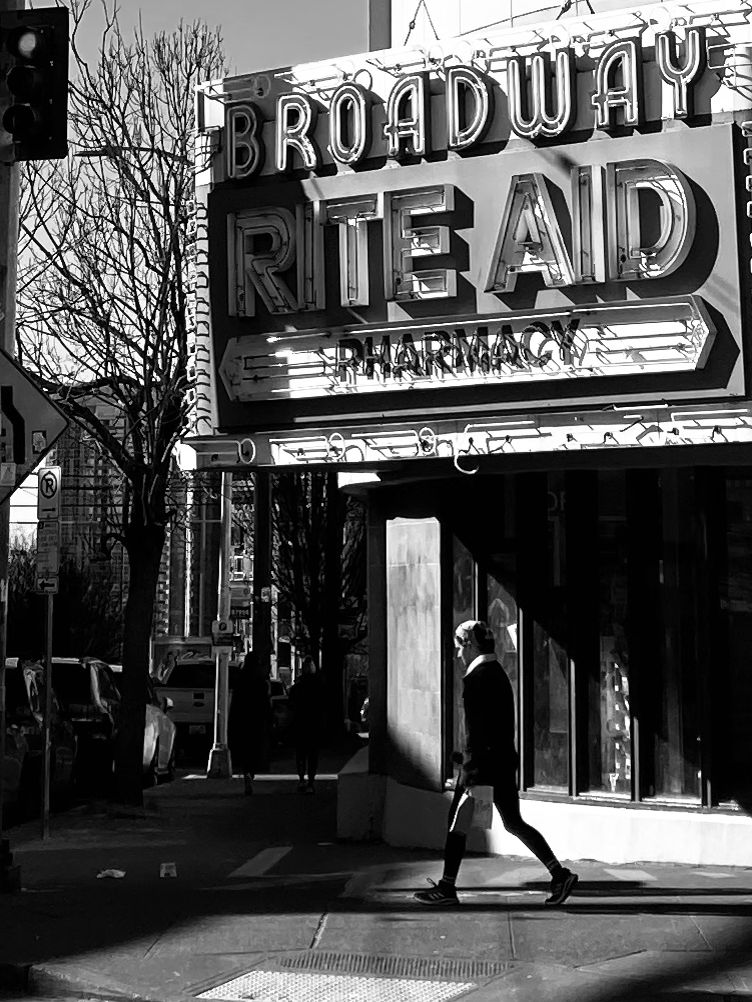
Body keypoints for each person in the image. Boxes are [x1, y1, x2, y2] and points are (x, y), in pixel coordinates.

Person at [415, 620, 578, 907]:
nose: (457, 655)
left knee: (456, 825)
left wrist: (470, 767)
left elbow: (480, 729)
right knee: (513, 822)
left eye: (459, 647)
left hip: (482, 767)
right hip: (500, 761)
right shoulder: (495, 673)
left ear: (470, 644)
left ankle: (447, 888)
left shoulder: (478, 677)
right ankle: (559, 873)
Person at [228, 651, 272, 795]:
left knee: (245, 749)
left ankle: (247, 772)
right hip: (256, 720)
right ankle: (250, 772)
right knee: (254, 749)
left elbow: (235, 702)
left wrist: (232, 720)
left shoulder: (241, 679)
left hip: (243, 720)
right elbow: (265, 704)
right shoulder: (261, 681)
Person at [288, 655, 325, 794]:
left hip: (301, 723)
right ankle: (310, 780)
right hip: (313, 724)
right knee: (312, 754)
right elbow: (323, 706)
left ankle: (302, 778)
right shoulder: (319, 686)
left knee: (301, 754)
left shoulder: (298, 687)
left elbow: (291, 705)